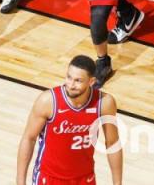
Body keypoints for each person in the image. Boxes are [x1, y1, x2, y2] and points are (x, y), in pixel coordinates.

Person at [16, 55, 122, 185]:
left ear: (91, 81)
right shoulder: (48, 101)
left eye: (78, 81)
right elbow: (29, 138)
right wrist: (20, 182)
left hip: (84, 178)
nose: (71, 85)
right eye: (69, 77)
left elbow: (112, 143)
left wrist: (117, 183)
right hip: (49, 178)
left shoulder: (104, 103)